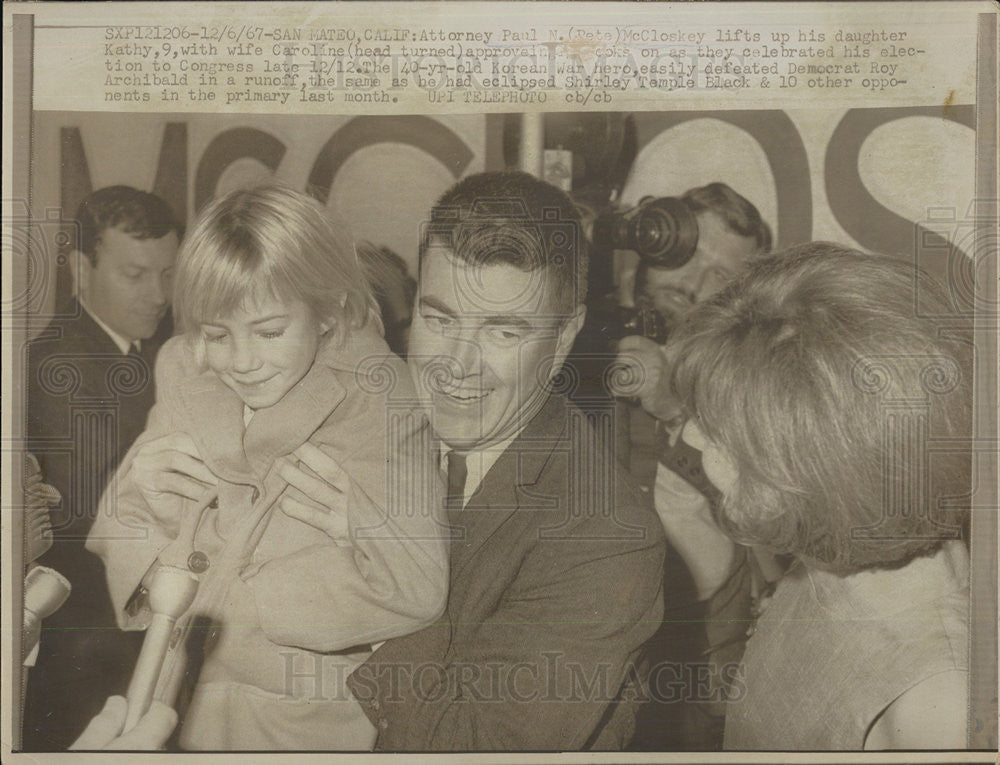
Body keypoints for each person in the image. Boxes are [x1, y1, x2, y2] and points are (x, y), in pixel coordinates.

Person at [86, 185, 449, 750]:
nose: (241, 361)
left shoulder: (380, 395)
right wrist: (153, 515)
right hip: (172, 694)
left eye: (270, 332)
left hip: (301, 716)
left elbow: (418, 584)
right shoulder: (184, 364)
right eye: (216, 333)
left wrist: (227, 603)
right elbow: (125, 516)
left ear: (327, 313)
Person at [343, 171, 667, 750]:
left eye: (502, 331)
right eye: (439, 320)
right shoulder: (367, 421)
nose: (456, 365)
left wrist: (370, 565)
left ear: (564, 336)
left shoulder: (605, 538)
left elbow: (478, 746)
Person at [663, 244, 971, 749]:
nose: (693, 439)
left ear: (821, 472)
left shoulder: (938, 705)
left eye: (719, 431)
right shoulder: (827, 558)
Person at [23, 185, 181, 750]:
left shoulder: (140, 351)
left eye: (167, 274)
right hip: (90, 645)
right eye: (136, 275)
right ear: (79, 268)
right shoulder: (58, 366)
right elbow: (106, 516)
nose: (159, 294)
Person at [616, 183, 772, 751]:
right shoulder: (580, 331)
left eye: (724, 277)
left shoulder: (745, 381)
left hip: (692, 666)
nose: (697, 288)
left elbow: (766, 519)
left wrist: (674, 406)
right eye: (687, 256)